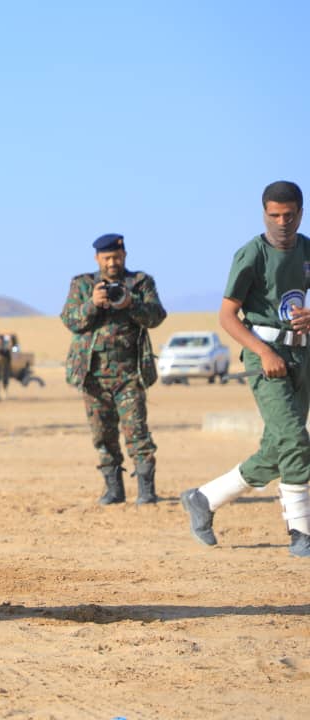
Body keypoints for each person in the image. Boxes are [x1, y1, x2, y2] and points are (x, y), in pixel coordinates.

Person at [181, 181, 310, 557]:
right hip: (264, 357)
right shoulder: (251, 255)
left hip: (302, 355)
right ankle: (301, 533)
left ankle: (204, 498)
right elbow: (227, 315)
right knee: (294, 441)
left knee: (280, 446)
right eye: (274, 215)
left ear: (300, 213)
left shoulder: (306, 250)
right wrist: (264, 353)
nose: (282, 222)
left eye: (289, 215)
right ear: (264, 213)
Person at [60, 233, 167, 505]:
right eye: (107, 258)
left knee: (137, 431)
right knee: (102, 434)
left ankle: (146, 490)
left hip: (129, 374)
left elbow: (156, 316)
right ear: (97, 258)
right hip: (92, 376)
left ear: (125, 256)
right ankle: (114, 489)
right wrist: (91, 305)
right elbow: (70, 320)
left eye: (117, 258)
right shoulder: (83, 284)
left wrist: (132, 304)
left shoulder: (140, 283)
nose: (112, 263)